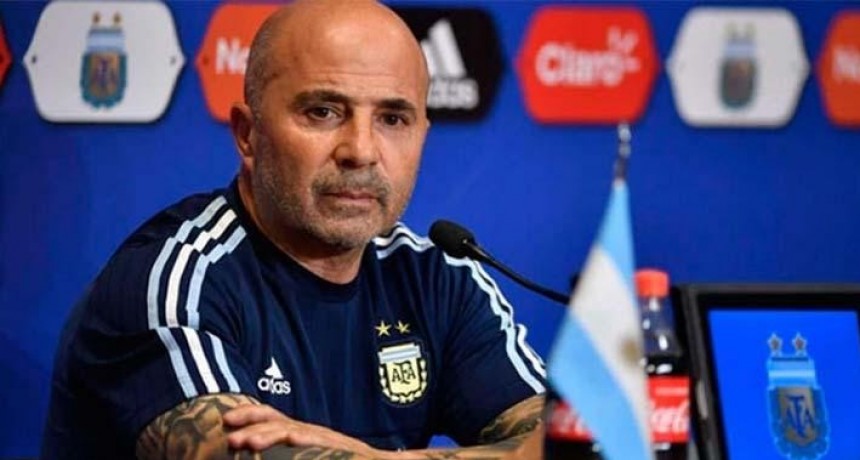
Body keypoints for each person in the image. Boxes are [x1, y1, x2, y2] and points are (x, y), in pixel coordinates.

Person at [41, 1, 546, 458]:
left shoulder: (437, 277)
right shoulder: (175, 278)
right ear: (248, 135)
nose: (361, 151)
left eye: (393, 119)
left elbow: (568, 443)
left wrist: (379, 459)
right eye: (323, 112)